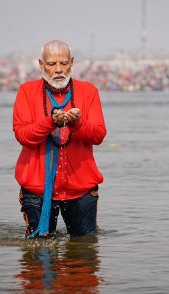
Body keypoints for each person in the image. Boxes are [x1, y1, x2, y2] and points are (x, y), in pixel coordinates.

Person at [13, 40, 107, 238]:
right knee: (38, 256)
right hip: (36, 189)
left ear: (72, 63)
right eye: (51, 64)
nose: (58, 69)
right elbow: (23, 136)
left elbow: (98, 135)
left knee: (84, 254)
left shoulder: (89, 91)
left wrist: (77, 123)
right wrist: (50, 122)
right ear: (41, 64)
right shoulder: (26, 91)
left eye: (64, 63)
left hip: (81, 189)